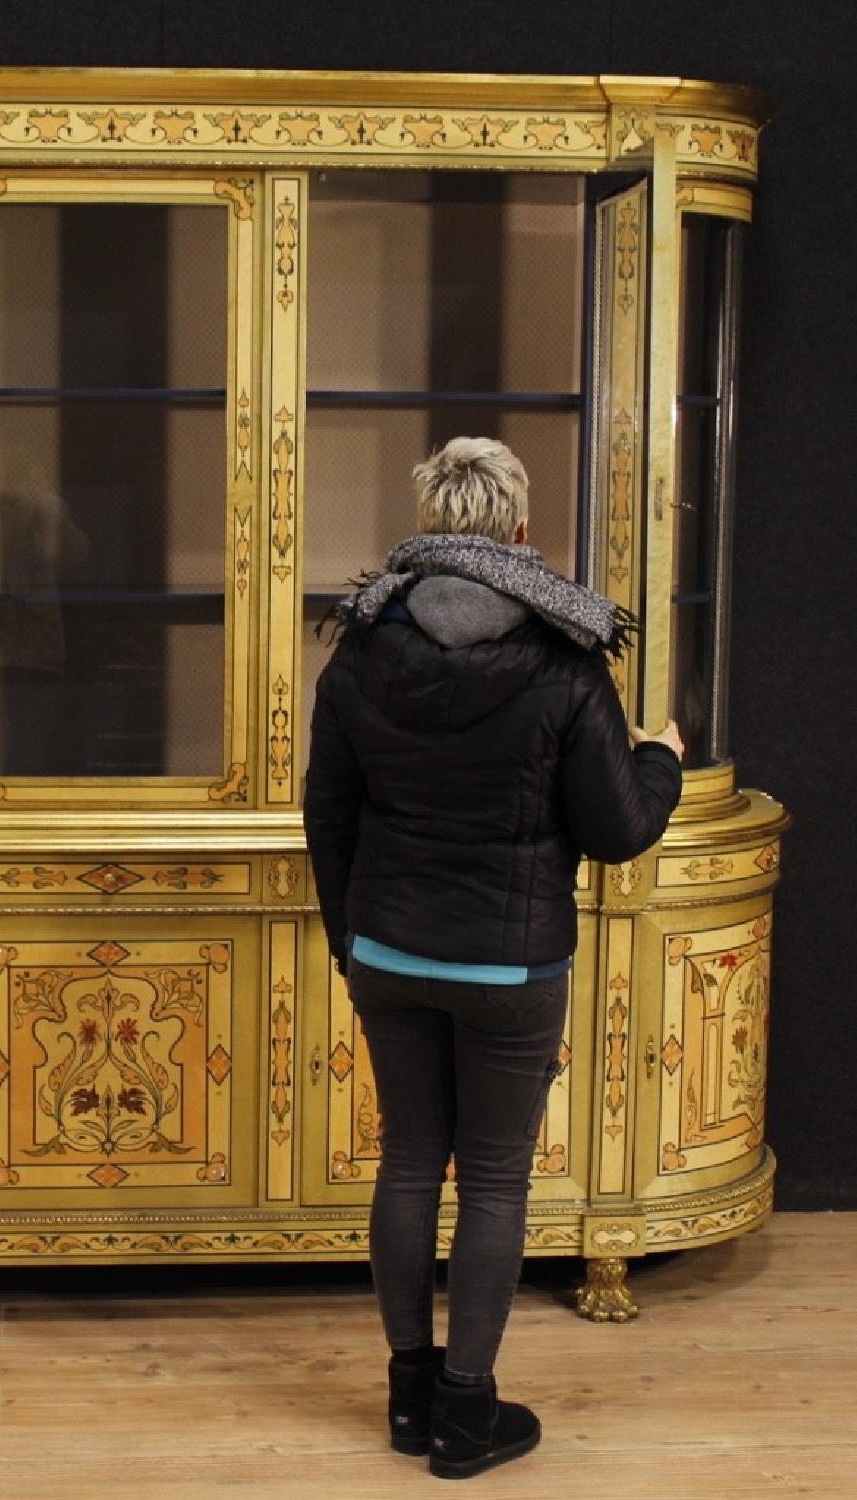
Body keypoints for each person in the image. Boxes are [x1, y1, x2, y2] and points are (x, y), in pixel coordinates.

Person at [302, 437, 683, 1480]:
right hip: (511, 968)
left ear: (429, 524)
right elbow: (614, 830)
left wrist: (351, 940)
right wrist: (662, 760)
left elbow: (325, 814)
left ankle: (407, 1399)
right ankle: (467, 1418)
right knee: (498, 1181)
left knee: (410, 1163)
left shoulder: (363, 645)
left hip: (387, 948)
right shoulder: (566, 661)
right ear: (520, 534)